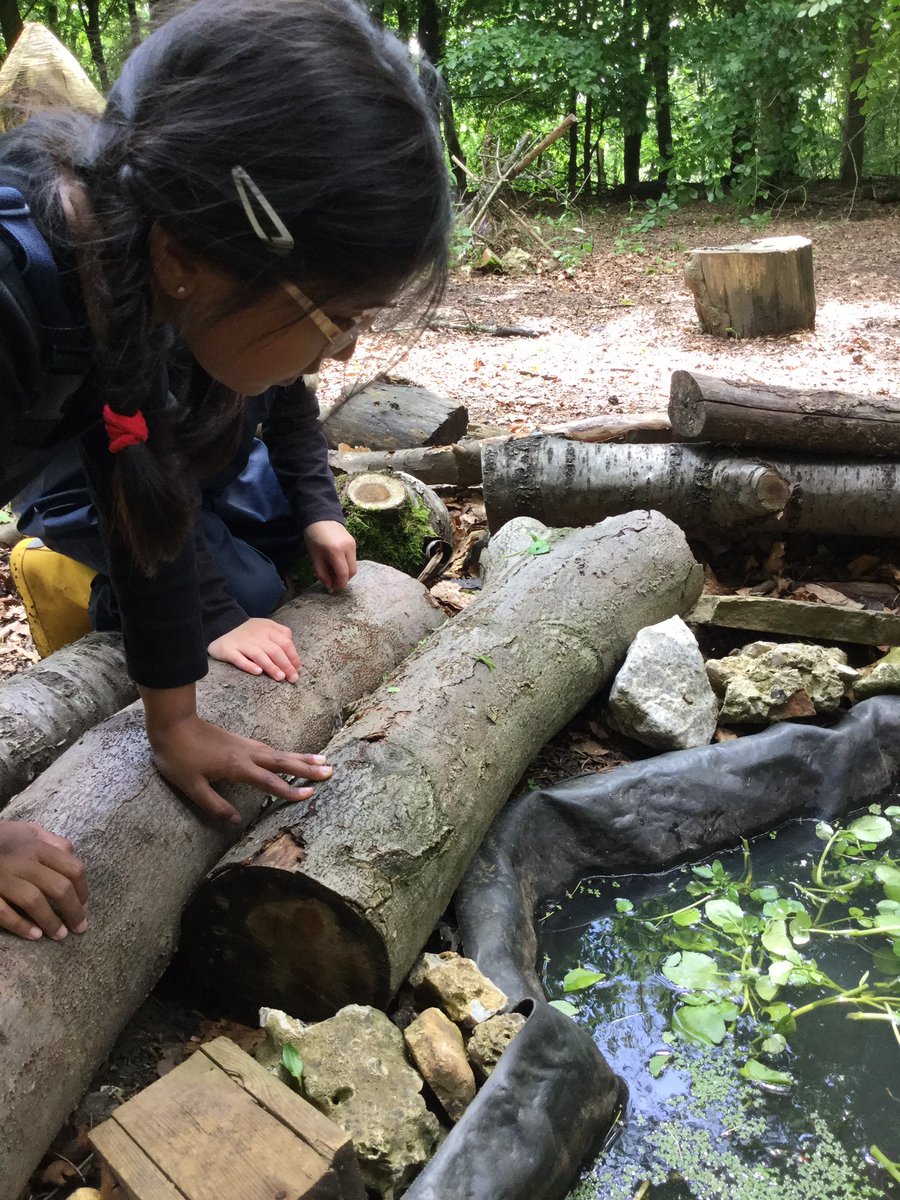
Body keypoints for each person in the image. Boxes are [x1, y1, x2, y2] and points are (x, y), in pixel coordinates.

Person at [0, 0, 451, 942]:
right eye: (339, 316)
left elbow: (141, 491)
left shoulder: (130, 276)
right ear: (191, 257)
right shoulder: (15, 298)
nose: (343, 353)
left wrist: (175, 721)